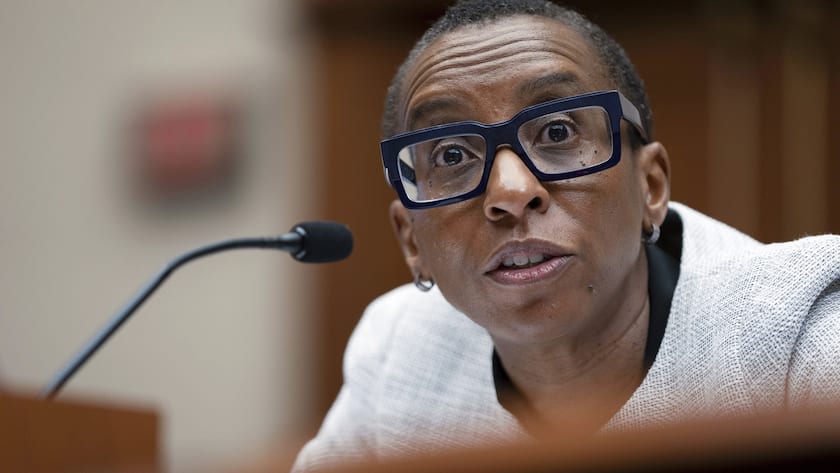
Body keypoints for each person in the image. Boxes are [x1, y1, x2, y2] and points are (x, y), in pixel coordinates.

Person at [293, 0, 840, 470]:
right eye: (453, 155)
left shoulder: (798, 333)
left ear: (650, 186)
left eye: (557, 132)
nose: (510, 191)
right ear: (412, 243)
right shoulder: (398, 353)